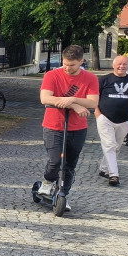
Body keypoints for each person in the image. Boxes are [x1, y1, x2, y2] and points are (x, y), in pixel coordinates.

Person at [37, 45, 100, 208]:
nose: (67, 67)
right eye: (65, 63)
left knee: (70, 164)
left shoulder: (90, 78)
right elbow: (45, 98)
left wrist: (71, 100)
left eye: (71, 65)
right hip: (53, 125)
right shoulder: (52, 75)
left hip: (77, 128)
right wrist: (75, 105)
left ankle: (63, 193)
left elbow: (93, 102)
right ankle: (48, 181)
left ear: (81, 61)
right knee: (55, 161)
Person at [93, 56, 128, 187]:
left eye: (125, 64)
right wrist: (97, 113)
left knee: (116, 146)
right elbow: (93, 98)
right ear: (113, 65)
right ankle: (114, 174)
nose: (122, 66)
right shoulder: (104, 79)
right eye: (119, 64)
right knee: (109, 145)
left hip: (125, 119)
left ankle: (104, 169)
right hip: (105, 117)